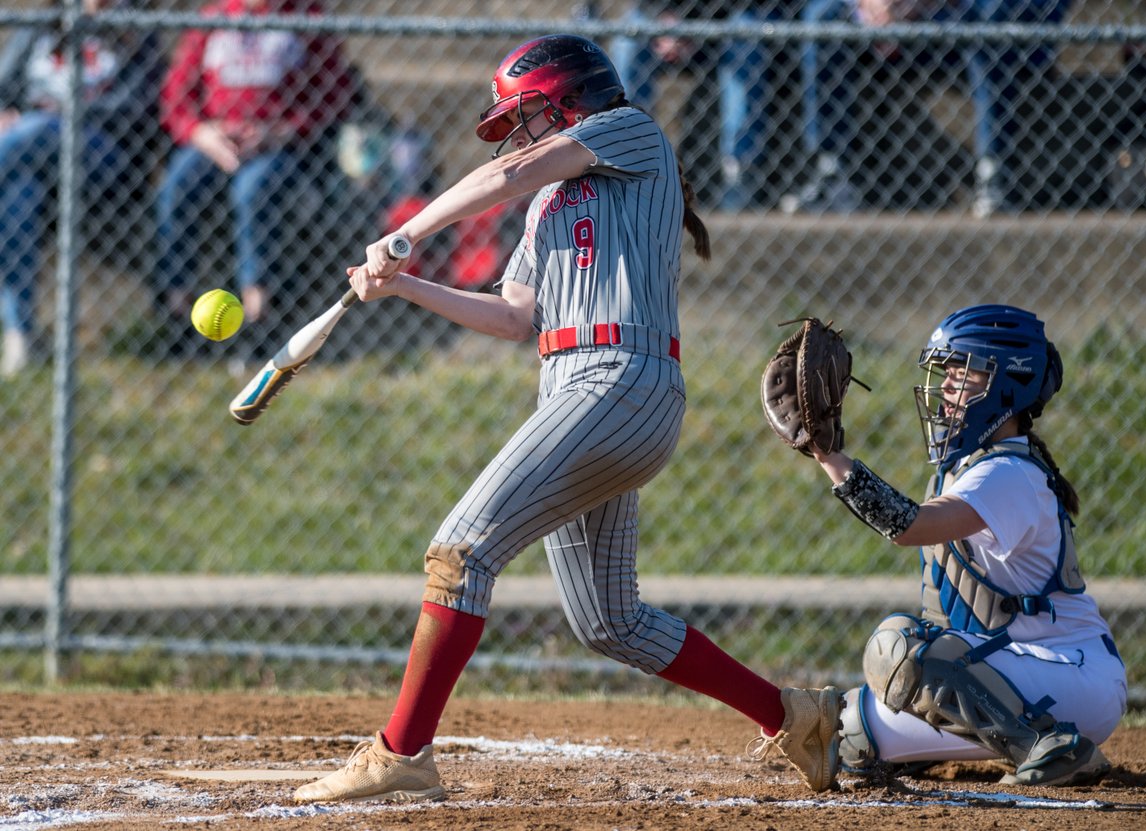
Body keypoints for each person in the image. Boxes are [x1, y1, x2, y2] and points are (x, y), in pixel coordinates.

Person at [290, 33, 840, 805]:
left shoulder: (628, 129)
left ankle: (402, 751)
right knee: (610, 620)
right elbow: (515, 318)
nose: (518, 133)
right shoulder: (547, 202)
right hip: (578, 392)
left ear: (569, 97)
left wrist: (409, 230)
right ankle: (791, 714)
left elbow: (506, 173)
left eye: (527, 114)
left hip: (620, 379)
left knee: (460, 551)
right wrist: (405, 284)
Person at [800, 304, 1126, 786]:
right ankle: (1017, 737)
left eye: (963, 375)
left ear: (1005, 387)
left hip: (1071, 675)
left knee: (899, 647)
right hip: (1015, 673)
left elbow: (909, 525)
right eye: (946, 375)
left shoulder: (1008, 474)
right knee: (852, 729)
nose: (945, 390)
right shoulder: (969, 467)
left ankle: (1046, 746)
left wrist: (828, 455)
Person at [153, 0, 353, 357]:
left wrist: (281, 132)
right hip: (214, 142)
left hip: (281, 147)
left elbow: (335, 97)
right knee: (177, 185)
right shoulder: (214, 18)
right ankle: (176, 312)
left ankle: (256, 316)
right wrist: (202, 133)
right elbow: (175, 99)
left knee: (253, 189)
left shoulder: (305, 17)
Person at [0, 0, 161, 377]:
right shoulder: (44, 23)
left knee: (38, 128)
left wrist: (61, 113)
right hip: (29, 158)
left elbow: (134, 107)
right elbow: (4, 88)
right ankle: (21, 334)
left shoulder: (137, 27)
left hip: (102, 155)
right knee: (20, 197)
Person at [797, 0, 1073, 216]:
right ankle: (830, 172)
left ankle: (994, 173)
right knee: (822, 17)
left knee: (989, 19)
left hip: (965, 10)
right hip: (903, 13)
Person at [609, 1, 803, 211]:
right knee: (627, 40)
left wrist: (694, 23)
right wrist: (663, 17)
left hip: (727, 19)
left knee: (745, 36)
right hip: (667, 20)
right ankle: (630, 165)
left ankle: (738, 169)